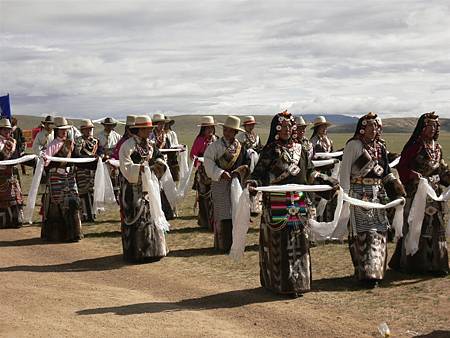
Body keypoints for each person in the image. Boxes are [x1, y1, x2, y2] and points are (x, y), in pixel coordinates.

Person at [246, 110, 339, 297]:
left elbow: (310, 173)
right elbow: (259, 175)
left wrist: (327, 182)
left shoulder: (301, 150)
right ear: (277, 128)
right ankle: (280, 283)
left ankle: (299, 282)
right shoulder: (270, 150)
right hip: (276, 204)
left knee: (299, 243)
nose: (288, 129)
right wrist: (254, 183)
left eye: (291, 126)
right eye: (284, 126)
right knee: (279, 244)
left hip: (299, 203)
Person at [340, 113, 405, 288]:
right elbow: (345, 171)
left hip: (377, 194)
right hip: (358, 193)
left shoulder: (380, 147)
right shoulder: (353, 145)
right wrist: (344, 196)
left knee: (379, 231)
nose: (374, 129)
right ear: (362, 128)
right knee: (363, 233)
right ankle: (364, 272)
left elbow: (385, 173)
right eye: (370, 126)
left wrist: (397, 191)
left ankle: (376, 272)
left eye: (376, 126)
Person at [389, 112, 449, 276]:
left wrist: (447, 176)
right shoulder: (415, 146)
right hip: (417, 193)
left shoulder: (437, 147)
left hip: (434, 193)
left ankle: (437, 263)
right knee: (417, 224)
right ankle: (415, 264)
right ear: (422, 128)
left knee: (436, 225)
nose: (433, 128)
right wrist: (412, 175)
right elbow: (402, 167)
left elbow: (441, 170)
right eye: (430, 125)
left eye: (435, 126)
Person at [119, 115, 168, 262]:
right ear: (138, 129)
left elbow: (159, 157)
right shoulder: (127, 146)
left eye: (149, 129)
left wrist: (158, 164)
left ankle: (154, 250)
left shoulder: (151, 145)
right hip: (133, 189)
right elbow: (126, 167)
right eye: (146, 129)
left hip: (150, 187)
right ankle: (137, 252)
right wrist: (142, 168)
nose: (149, 131)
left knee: (152, 216)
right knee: (137, 219)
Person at [204, 115, 249, 253]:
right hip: (220, 183)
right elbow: (208, 161)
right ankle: (222, 243)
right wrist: (220, 173)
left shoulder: (241, 148)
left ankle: (236, 241)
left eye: (231, 131)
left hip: (236, 183)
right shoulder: (214, 146)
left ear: (235, 132)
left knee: (237, 211)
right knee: (222, 213)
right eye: (226, 130)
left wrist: (238, 172)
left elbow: (246, 164)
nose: (227, 133)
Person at [41, 117, 82, 242]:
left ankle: (74, 233)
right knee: (57, 204)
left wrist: (92, 159)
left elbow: (77, 158)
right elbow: (46, 163)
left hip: (69, 176)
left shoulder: (71, 144)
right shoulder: (53, 145)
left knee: (73, 202)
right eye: (61, 130)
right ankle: (57, 234)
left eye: (66, 130)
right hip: (56, 177)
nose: (64, 132)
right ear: (57, 131)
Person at [190, 116, 218, 230]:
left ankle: (213, 221)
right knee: (203, 197)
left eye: (211, 128)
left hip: (214, 171)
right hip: (202, 173)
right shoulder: (200, 140)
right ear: (203, 129)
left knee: (214, 196)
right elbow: (192, 155)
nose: (210, 131)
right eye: (207, 128)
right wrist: (199, 161)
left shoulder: (216, 140)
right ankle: (205, 221)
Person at [310, 116, 336, 222]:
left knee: (328, 196)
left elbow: (332, 154)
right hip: (318, 173)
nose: (325, 129)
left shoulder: (329, 141)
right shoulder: (313, 142)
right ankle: (318, 220)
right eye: (322, 127)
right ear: (317, 128)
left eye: (326, 127)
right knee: (318, 197)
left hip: (329, 173)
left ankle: (327, 220)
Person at [73, 119, 99, 222]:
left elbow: (99, 151)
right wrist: (91, 157)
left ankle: (92, 214)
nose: (89, 131)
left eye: (90, 129)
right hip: (82, 169)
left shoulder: (95, 141)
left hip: (92, 170)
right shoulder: (79, 141)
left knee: (92, 191)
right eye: (87, 129)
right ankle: (84, 214)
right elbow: (77, 154)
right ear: (82, 130)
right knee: (83, 192)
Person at [151, 113, 176, 220]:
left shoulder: (165, 136)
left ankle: (168, 211)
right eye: (159, 124)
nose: (162, 126)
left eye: (163, 124)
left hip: (165, 163)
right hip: (155, 164)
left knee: (166, 186)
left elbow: (169, 148)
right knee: (157, 187)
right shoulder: (151, 135)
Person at [0, 119, 24, 228]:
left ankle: (15, 220)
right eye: (5, 130)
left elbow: (16, 156)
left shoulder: (12, 142)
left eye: (9, 130)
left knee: (16, 197)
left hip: (12, 173)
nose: (7, 132)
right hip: (1, 173)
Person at [98, 117, 121, 199]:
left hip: (114, 158)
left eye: (110, 125)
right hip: (104, 158)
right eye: (107, 125)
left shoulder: (117, 136)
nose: (109, 127)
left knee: (116, 175)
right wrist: (103, 155)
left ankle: (116, 194)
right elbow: (99, 148)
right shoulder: (99, 135)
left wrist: (113, 156)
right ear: (104, 126)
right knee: (104, 176)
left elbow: (119, 148)